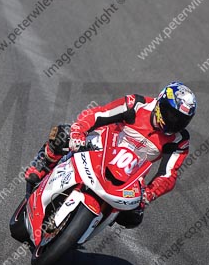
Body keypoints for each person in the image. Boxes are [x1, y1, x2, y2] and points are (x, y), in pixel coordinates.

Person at [24, 82, 197, 228]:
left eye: (180, 120)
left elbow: (168, 174)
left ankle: (88, 224)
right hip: (101, 145)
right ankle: (43, 163)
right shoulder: (136, 104)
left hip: (130, 174)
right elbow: (99, 113)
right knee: (64, 134)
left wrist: (149, 193)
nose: (174, 122)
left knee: (133, 217)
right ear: (160, 103)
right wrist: (79, 131)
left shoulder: (179, 140)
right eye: (170, 114)